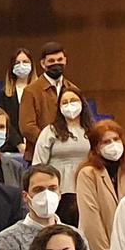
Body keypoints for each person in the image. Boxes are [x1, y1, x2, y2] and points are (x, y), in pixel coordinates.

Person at [0, 163, 66, 250]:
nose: (47, 195)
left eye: (52, 188)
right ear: (26, 196)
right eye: (39, 190)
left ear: (60, 194)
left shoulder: (75, 236)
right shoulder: (8, 239)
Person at [77, 119, 125, 250]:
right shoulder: (88, 174)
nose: (113, 145)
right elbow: (91, 224)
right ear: (96, 148)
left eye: (116, 139)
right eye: (106, 142)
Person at [30, 86, 92, 223]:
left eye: (74, 100)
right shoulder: (50, 131)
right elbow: (38, 164)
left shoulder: (91, 131)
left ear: (82, 103)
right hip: (59, 192)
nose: (70, 105)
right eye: (65, 102)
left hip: (85, 189)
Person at [18, 43, 77, 154]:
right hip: (40, 154)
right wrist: (51, 142)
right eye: (51, 61)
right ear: (43, 64)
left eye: (60, 59)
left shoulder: (73, 89)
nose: (56, 63)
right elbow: (27, 127)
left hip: (69, 153)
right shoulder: (31, 91)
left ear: (65, 60)